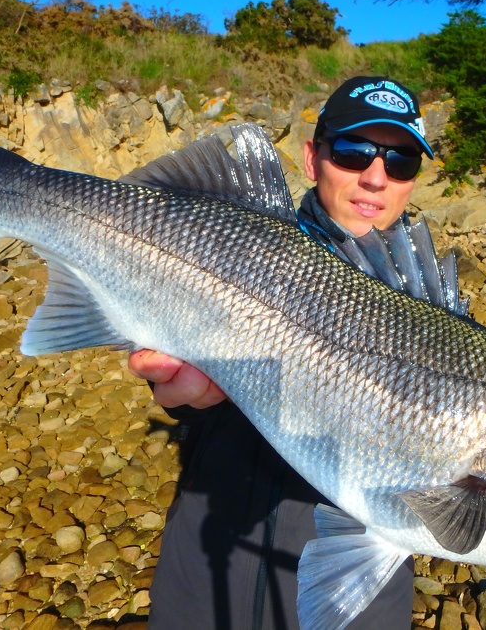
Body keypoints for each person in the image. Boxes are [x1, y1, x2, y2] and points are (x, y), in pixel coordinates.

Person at [132, 76, 450, 629]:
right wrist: (181, 394)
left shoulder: (443, 321)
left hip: (359, 602)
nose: (375, 177)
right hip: (201, 582)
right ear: (311, 158)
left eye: (400, 162)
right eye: (353, 152)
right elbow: (170, 376)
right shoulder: (226, 243)